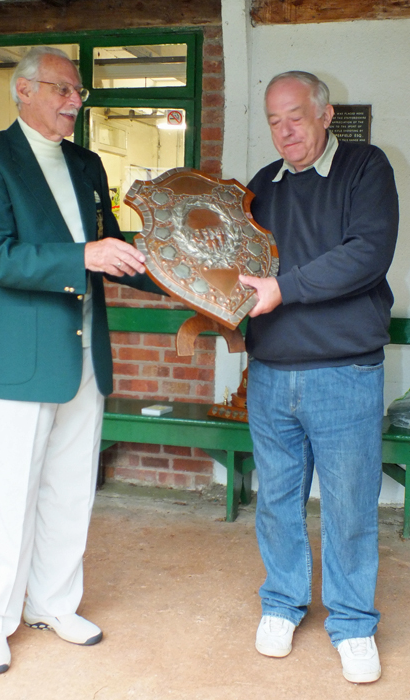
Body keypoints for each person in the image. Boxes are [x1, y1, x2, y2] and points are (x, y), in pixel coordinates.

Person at [0, 46, 163, 675]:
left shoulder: (86, 163)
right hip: (21, 358)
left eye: (79, 92)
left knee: (72, 490)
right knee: (10, 495)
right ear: (23, 91)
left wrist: (188, 280)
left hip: (85, 356)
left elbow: (113, 249)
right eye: (64, 90)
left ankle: (52, 603)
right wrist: (83, 257)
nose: (76, 102)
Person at [239, 71, 398, 684]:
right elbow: (230, 270)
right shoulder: (260, 187)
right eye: (274, 120)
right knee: (276, 501)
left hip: (345, 372)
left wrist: (285, 288)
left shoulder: (365, 168)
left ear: (326, 114)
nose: (285, 131)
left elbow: (367, 252)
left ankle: (353, 622)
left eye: (296, 117)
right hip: (273, 374)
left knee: (350, 505)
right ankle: (282, 604)